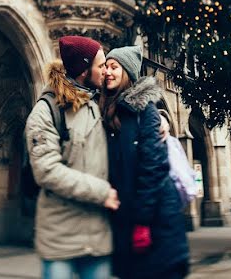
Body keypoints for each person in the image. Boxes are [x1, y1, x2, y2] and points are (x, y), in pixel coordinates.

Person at [25, 36, 120, 279]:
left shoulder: (98, 102)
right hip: (61, 240)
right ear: (83, 71)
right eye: (100, 66)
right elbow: (47, 171)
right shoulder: (46, 110)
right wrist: (102, 192)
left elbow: (134, 104)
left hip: (98, 236)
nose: (105, 72)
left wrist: (160, 117)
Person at [100, 46, 190, 279]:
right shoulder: (107, 110)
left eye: (114, 67)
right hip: (127, 220)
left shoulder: (145, 111)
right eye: (105, 67)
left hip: (156, 220)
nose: (108, 72)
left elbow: (153, 168)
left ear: (128, 72)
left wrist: (142, 221)